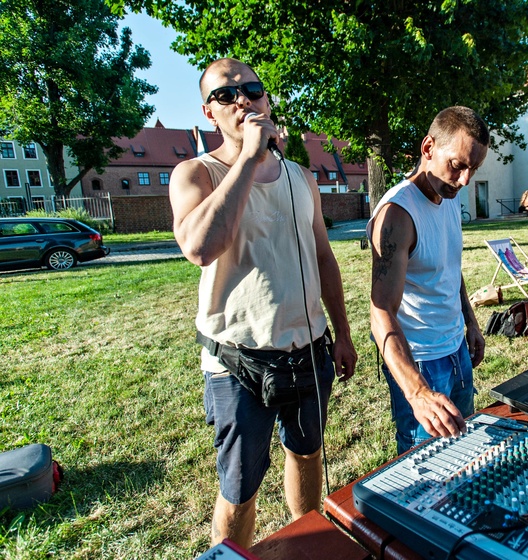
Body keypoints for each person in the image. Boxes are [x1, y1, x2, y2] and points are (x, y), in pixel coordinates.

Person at [169, 58, 358, 549]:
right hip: (238, 361)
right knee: (240, 488)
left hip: (308, 349)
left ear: (267, 99)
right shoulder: (196, 174)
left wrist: (342, 332)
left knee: (308, 454)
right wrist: (250, 159)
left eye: (251, 89)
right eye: (226, 95)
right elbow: (199, 247)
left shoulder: (300, 176)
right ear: (209, 114)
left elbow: (322, 256)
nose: (242, 100)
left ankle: (308, 543)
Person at [368, 106, 488, 455]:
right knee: (423, 465)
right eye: (458, 165)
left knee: (461, 451)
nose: (465, 180)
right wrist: (417, 391)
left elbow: (450, 265)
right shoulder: (397, 215)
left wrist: (471, 322)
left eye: (473, 169)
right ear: (428, 148)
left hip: (456, 349)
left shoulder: (448, 193)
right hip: (420, 361)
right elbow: (381, 313)